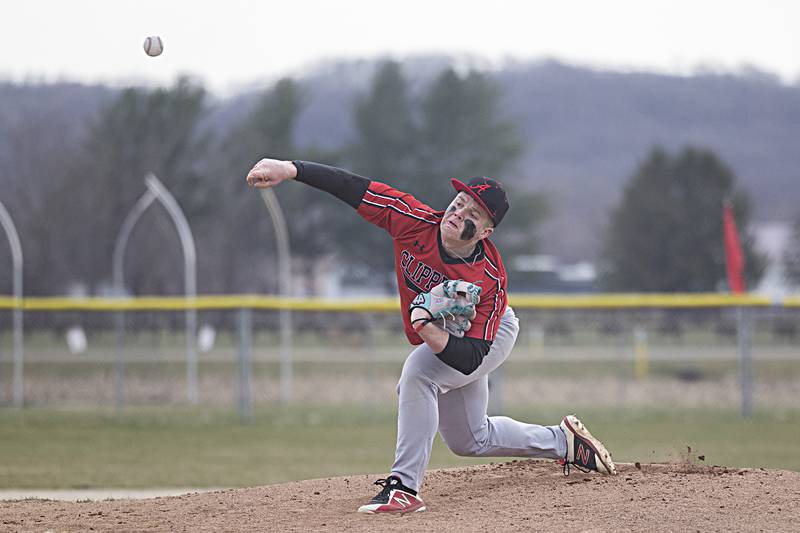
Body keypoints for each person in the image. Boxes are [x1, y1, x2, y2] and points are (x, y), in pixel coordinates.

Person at [246, 159, 617, 514]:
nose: (458, 213)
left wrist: (428, 331)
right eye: (458, 203)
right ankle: (563, 441)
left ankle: (404, 488)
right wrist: (291, 170)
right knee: (471, 440)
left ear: (486, 233)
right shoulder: (413, 221)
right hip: (448, 335)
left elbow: (471, 357)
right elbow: (354, 187)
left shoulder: (488, 278)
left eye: (472, 215)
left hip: (486, 336)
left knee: (419, 374)